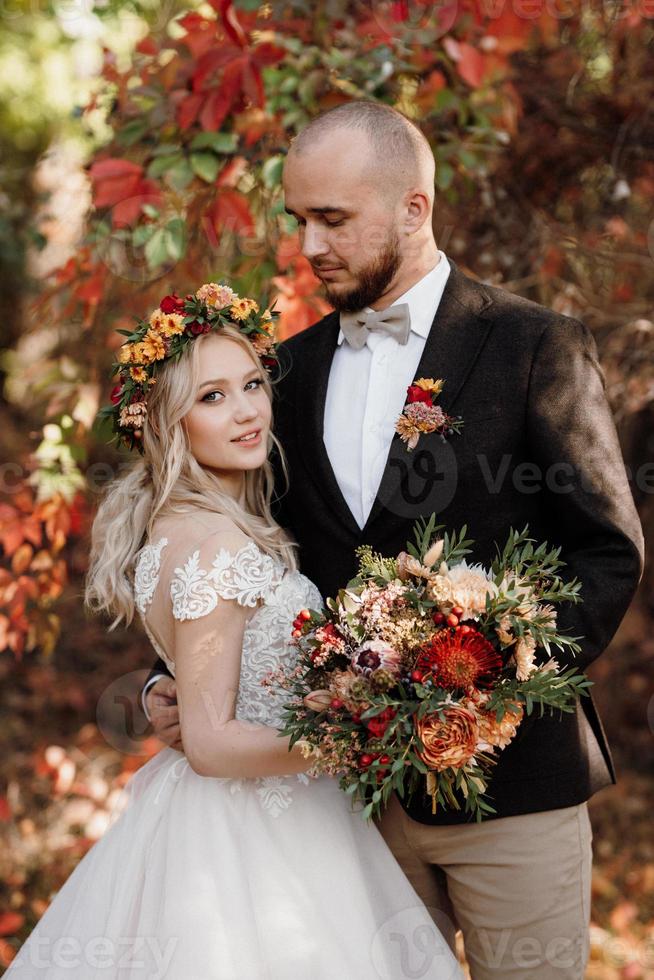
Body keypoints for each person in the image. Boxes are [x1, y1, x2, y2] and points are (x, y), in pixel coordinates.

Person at [144, 101, 645, 979]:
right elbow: (249, 562)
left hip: (515, 791)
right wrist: (174, 678)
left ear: (414, 208)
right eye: (299, 220)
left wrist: (489, 678)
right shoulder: (282, 379)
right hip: (340, 812)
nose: (309, 246)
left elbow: (607, 550)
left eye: (333, 219)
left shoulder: (535, 345)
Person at [7, 298, 461, 979]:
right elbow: (215, 743)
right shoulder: (218, 544)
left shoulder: (184, 525)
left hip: (236, 810)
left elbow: (203, 683)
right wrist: (362, 736)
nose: (248, 411)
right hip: (258, 829)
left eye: (252, 384)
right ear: (169, 422)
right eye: (213, 397)